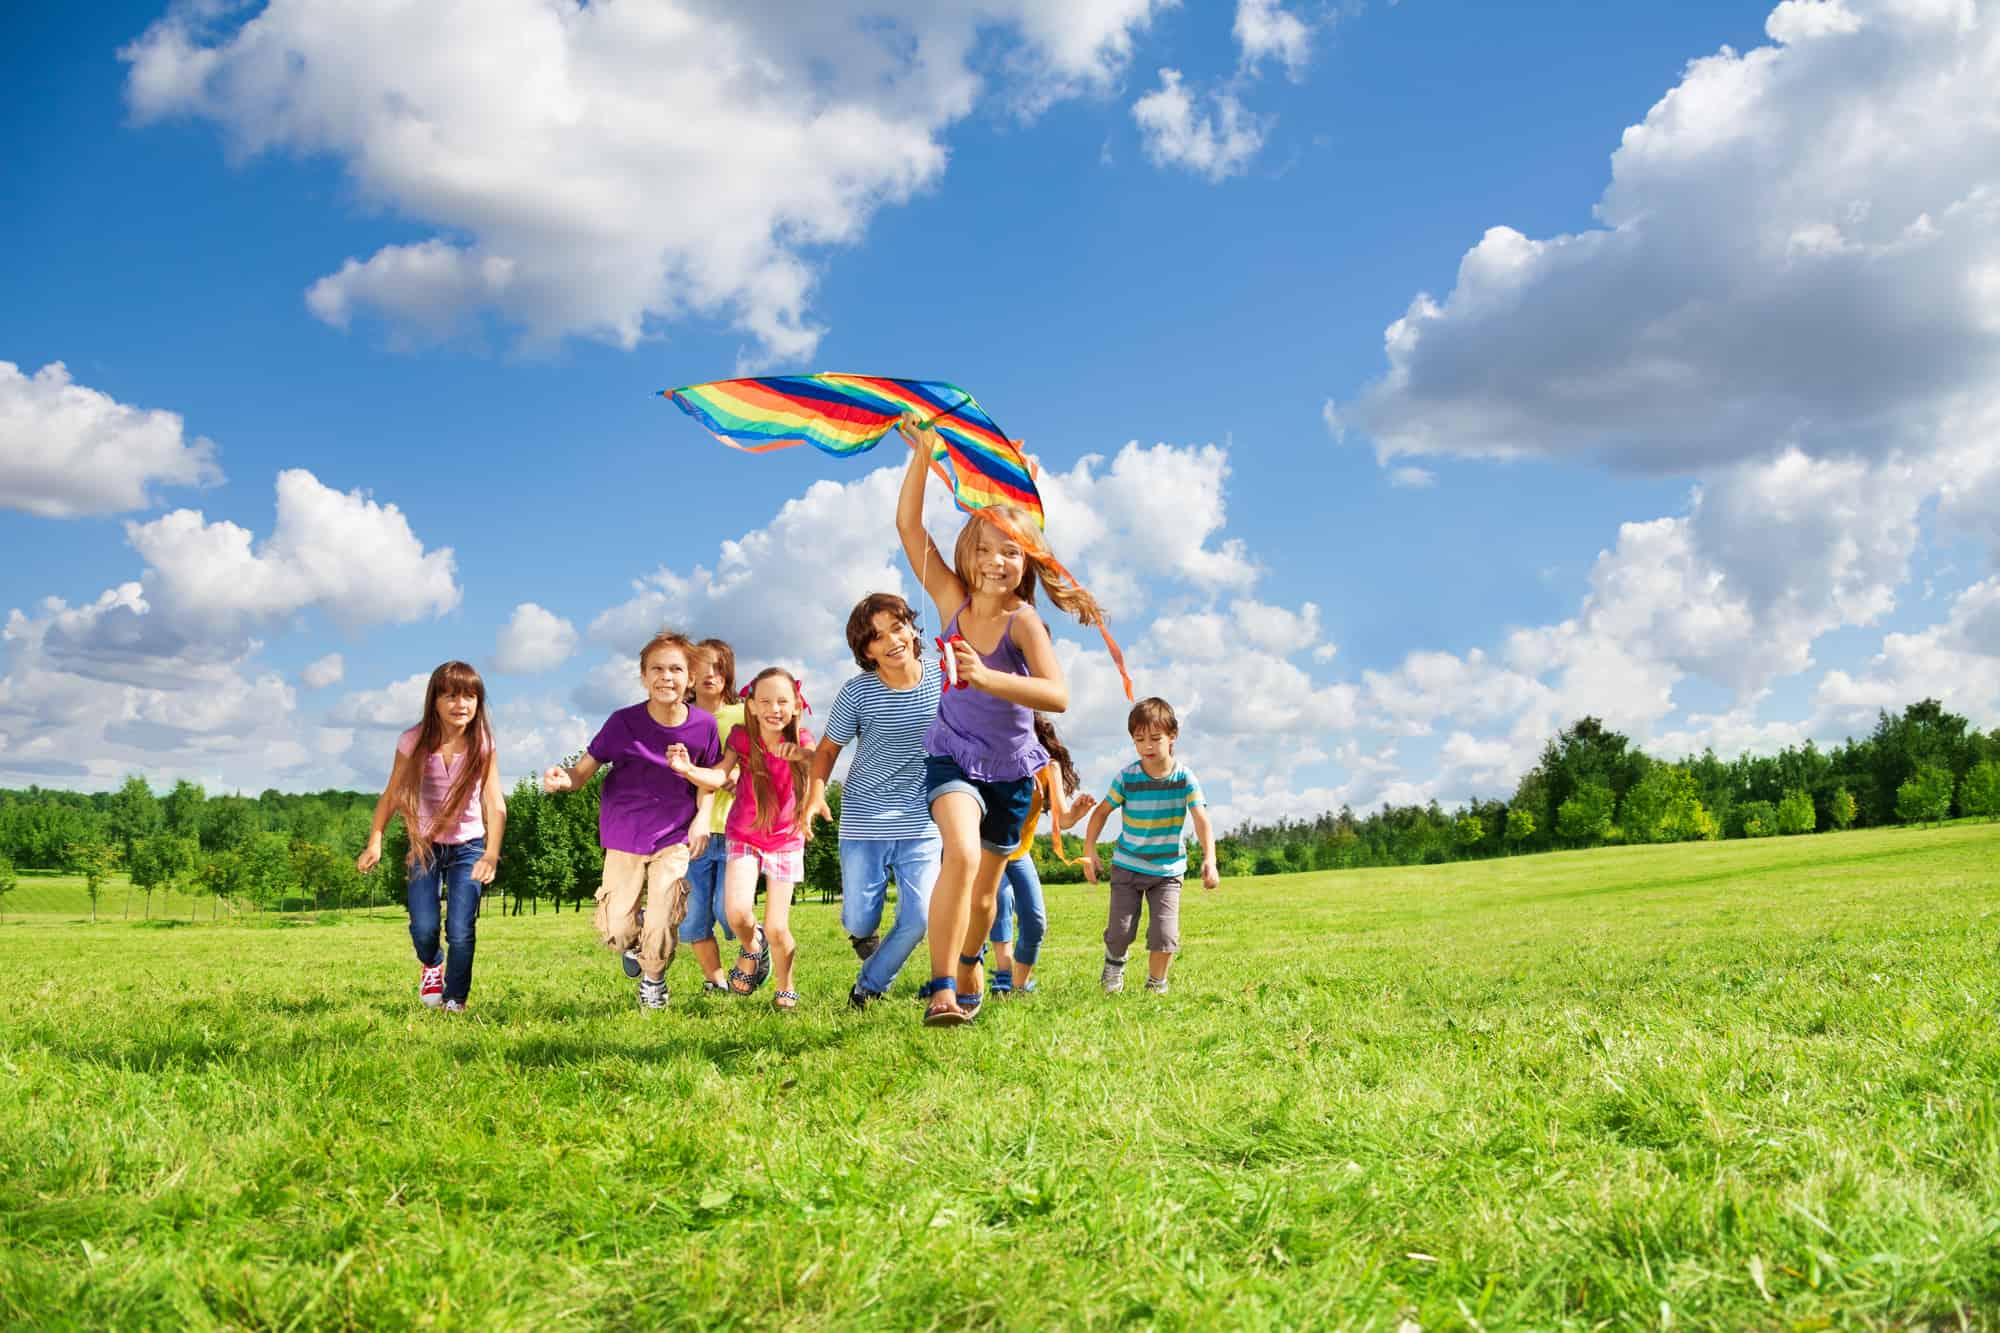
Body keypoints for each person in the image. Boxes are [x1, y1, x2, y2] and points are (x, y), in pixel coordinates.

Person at [893, 410, 1104, 1026]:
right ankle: (940, 992)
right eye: (984, 549)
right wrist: (923, 456)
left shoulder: (1023, 622)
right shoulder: (951, 602)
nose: (995, 561)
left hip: (1011, 772)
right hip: (952, 754)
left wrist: (986, 675)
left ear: (1026, 561)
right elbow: (908, 525)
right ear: (967, 552)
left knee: (986, 893)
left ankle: (967, 960)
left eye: (1010, 552)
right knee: (957, 853)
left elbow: (1057, 695)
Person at [543, 630, 718, 1011]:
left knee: (662, 914)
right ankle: (633, 946)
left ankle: (653, 982)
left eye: (675, 669)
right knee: (618, 931)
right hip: (624, 835)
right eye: (657, 669)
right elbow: (582, 773)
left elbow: (707, 781)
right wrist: (564, 780)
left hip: (674, 836)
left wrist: (702, 819)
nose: (666, 677)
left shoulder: (704, 727)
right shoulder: (622, 723)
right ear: (643, 676)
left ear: (690, 679)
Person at [798, 592, 945, 1011]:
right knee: (859, 919)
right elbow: (827, 751)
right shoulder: (858, 692)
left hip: (921, 821)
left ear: (912, 627)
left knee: (919, 918)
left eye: (897, 627)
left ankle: (867, 988)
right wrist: (813, 795)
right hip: (864, 821)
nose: (892, 641)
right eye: (877, 637)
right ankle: (863, 935)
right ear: (866, 651)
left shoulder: (944, 678)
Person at [357, 660, 506, 1012]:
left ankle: (455, 999)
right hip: (425, 846)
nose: (461, 704)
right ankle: (432, 963)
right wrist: (375, 840)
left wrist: (491, 854)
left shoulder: (482, 743)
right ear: (434, 701)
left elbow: (494, 802)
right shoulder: (413, 741)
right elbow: (392, 793)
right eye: (451, 696)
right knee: (424, 927)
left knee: (461, 928)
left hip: (469, 846)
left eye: (470, 696)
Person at [1079, 697, 1219, 996]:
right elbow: (1101, 811)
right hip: (1128, 865)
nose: (1148, 746)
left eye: (1155, 738)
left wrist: (1210, 859)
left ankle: (1156, 985)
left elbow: (1201, 820)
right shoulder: (1128, 777)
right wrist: (1089, 850)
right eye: (1139, 740)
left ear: (1172, 737)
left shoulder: (1184, 778)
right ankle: (1114, 966)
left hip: (1167, 870)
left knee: (1165, 934)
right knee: (1120, 931)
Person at [694, 667, 814, 1011]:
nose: (773, 708)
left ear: (795, 706)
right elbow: (719, 773)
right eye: (765, 701)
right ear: (752, 706)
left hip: (786, 838)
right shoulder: (742, 738)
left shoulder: (801, 739)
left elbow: (816, 759)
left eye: (781, 701)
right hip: (744, 833)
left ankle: (785, 985)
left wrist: (800, 756)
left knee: (778, 928)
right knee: (736, 913)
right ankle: (751, 946)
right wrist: (688, 770)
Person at [986, 714, 1093, 999]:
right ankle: (1003, 978)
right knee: (1000, 902)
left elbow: (1064, 819)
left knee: (1035, 921)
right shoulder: (990, 757)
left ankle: (1020, 985)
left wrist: (1077, 812)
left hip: (1020, 854)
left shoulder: (1048, 768)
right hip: (988, 849)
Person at [674, 637, 742, 994]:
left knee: (728, 911)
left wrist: (741, 773)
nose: (709, 675)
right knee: (693, 919)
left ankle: (755, 950)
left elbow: (765, 757)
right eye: (699, 667)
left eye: (717, 666)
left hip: (736, 827)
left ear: (727, 671)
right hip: (692, 830)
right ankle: (716, 982)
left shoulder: (743, 713)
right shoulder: (680, 718)